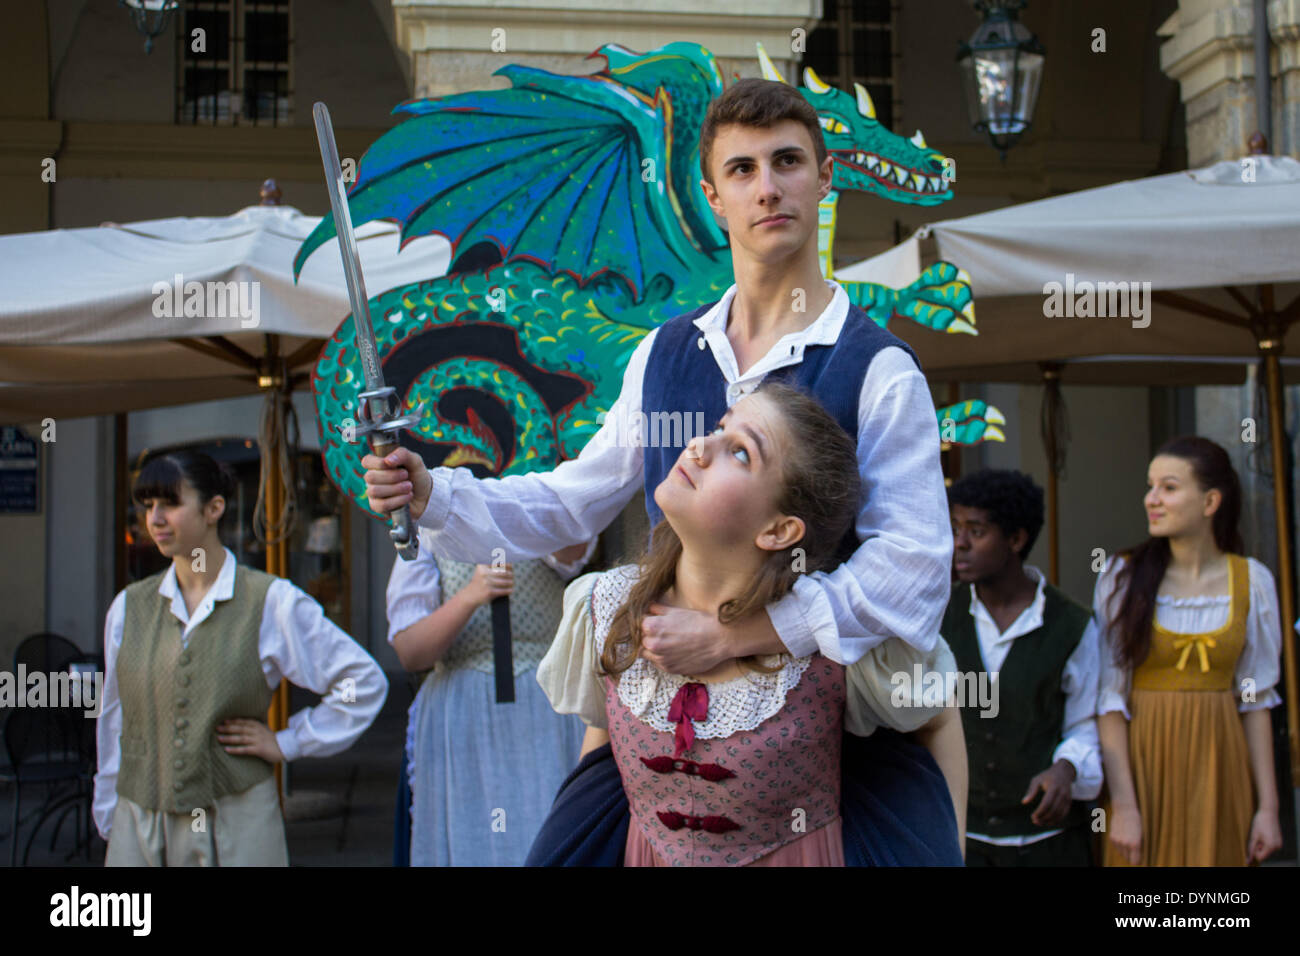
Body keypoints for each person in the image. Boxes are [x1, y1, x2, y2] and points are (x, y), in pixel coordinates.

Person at [362, 77, 957, 862]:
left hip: (831, 757)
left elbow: (914, 567)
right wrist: (437, 493)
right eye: (742, 170)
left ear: (824, 177)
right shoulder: (664, 353)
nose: (768, 187)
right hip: (664, 744)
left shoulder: (878, 370)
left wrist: (742, 631)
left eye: (787, 162)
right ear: (712, 196)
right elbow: (570, 503)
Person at [538, 381, 964, 864]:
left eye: (740, 453)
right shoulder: (606, 606)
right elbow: (600, 753)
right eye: (719, 428)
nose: (699, 445)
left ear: (780, 531)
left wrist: (950, 849)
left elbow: (939, 718)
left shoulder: (833, 634)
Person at [94, 451, 388, 866]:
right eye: (147, 506)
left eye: (170, 503)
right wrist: (109, 810)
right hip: (140, 819)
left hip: (236, 821)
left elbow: (362, 682)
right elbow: (114, 715)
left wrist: (287, 741)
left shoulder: (270, 601)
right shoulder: (128, 607)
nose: (155, 519)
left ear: (214, 508)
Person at [1093, 436, 1284, 866]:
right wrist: (1123, 805)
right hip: (1143, 767)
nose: (1151, 499)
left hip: (1221, 765)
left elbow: (1254, 701)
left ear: (1210, 501)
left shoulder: (1251, 581)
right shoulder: (1122, 578)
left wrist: (1268, 809)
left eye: (1169, 487)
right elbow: (1109, 701)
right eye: (1150, 485)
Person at [386, 531, 594, 865]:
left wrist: (523, 511)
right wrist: (470, 595)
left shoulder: (540, 509)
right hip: (463, 715)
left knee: (547, 828)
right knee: (473, 835)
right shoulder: (428, 532)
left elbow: (574, 545)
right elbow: (412, 652)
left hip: (544, 708)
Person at [945, 469, 1101, 866]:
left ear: (1016, 539)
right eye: (954, 527)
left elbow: (1086, 723)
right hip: (964, 839)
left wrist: (1065, 769)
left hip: (1048, 844)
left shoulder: (1072, 625)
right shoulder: (939, 619)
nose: (958, 543)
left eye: (976, 531)